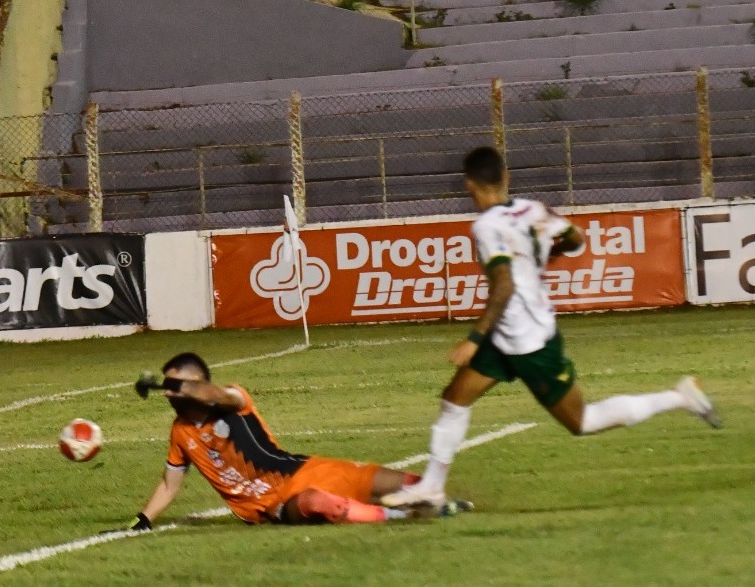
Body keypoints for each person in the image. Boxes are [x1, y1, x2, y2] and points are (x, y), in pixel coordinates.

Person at [382, 146, 721, 508]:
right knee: (454, 399)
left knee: (582, 421)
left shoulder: (486, 226)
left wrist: (474, 338)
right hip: (507, 334)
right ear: (505, 177)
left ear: (469, 184)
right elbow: (575, 239)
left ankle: (679, 396)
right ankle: (432, 487)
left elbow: (504, 285)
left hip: (529, 341)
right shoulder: (534, 209)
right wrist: (542, 255)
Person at [111, 352, 469, 531]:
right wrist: (143, 520)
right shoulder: (180, 432)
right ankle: (397, 515)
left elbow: (212, 393)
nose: (171, 393)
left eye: (178, 385)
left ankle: (438, 503)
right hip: (273, 504)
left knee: (409, 483)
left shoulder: (233, 400)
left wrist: (167, 384)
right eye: (168, 386)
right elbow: (169, 483)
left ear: (196, 382)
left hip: (307, 468)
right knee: (319, 504)